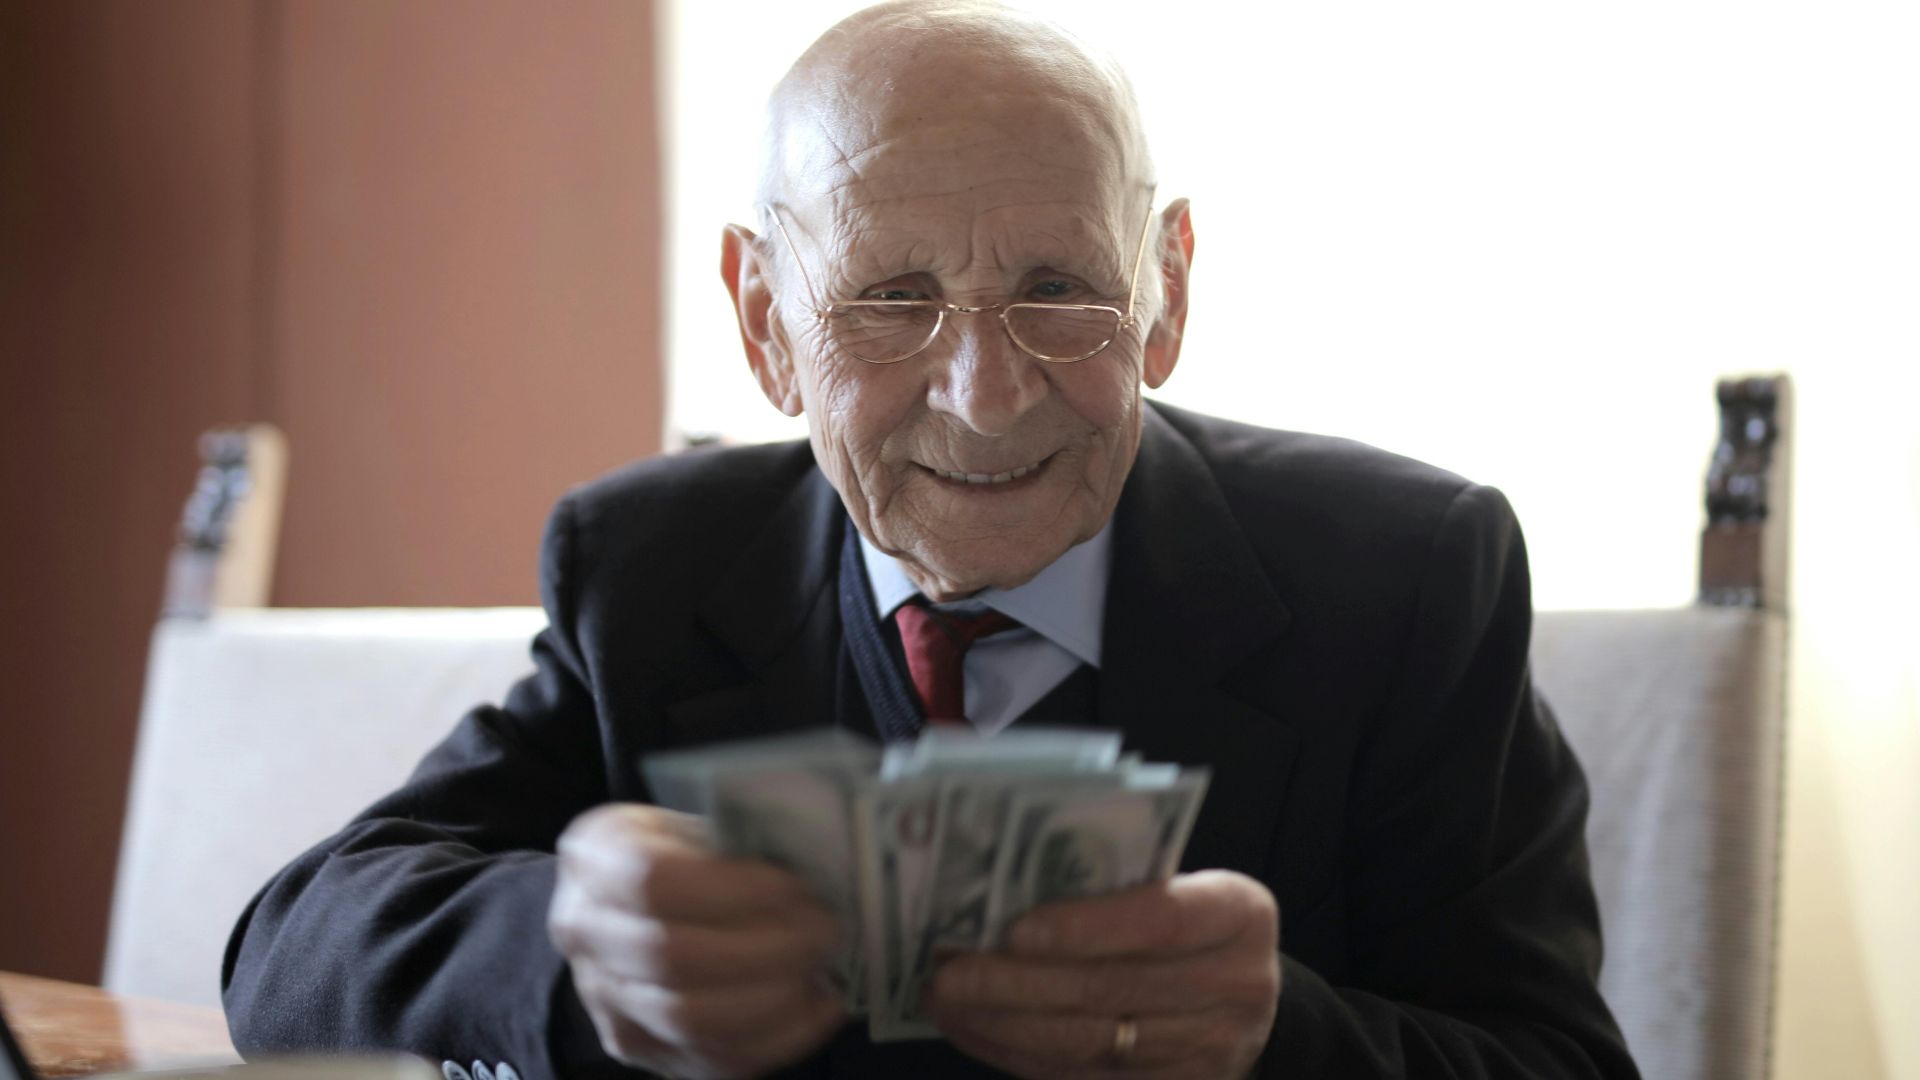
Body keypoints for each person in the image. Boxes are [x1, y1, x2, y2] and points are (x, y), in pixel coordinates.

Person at [223, 4, 1638, 1078]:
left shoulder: (1405, 577)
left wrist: (1277, 1035)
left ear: (1164, 293)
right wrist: (574, 945)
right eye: (890, 300)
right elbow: (290, 947)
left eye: (1059, 289)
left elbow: (1558, 1061)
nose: (986, 394)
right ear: (766, 325)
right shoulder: (656, 572)